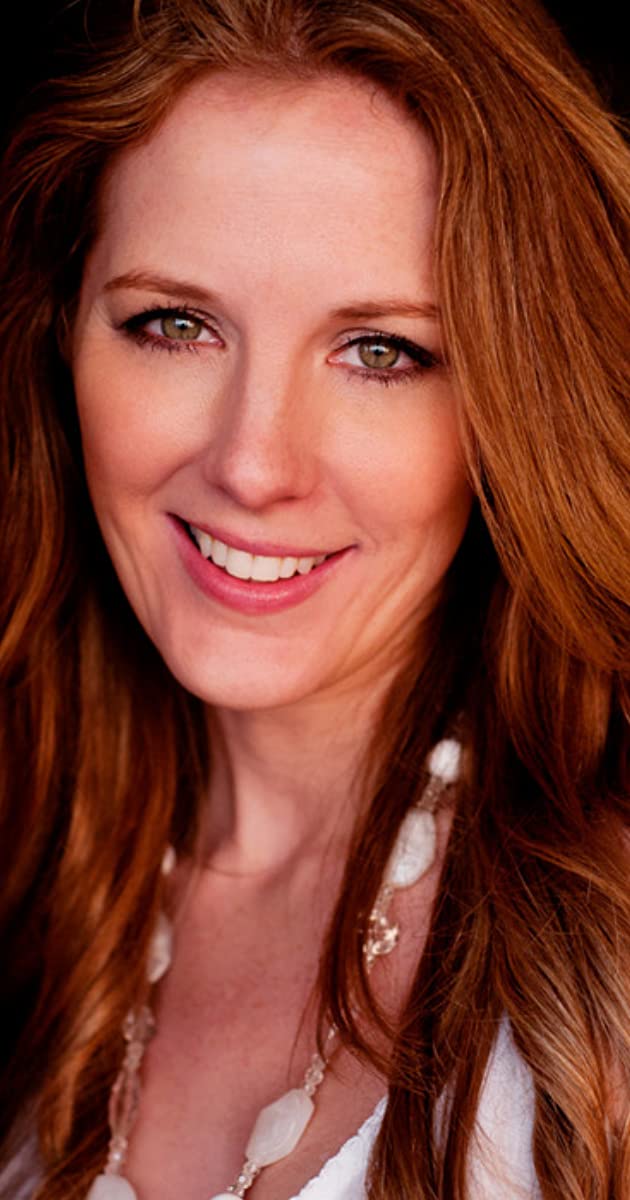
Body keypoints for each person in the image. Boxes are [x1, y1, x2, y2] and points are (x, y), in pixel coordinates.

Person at [0, 0, 628, 1197]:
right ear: (61, 338)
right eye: (174, 325)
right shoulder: (36, 864)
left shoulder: (605, 967)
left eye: (381, 352)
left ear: (515, 406)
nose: (253, 464)